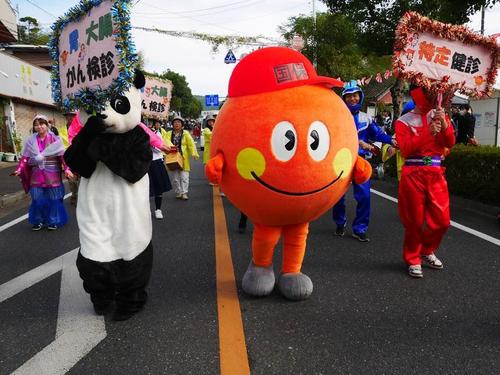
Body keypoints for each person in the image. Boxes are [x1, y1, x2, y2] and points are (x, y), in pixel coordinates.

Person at [395, 85, 455, 278]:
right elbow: (405, 149)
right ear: (416, 93)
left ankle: (427, 249)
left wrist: (444, 126)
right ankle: (412, 258)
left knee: (442, 221)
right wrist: (428, 132)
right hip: (413, 173)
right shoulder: (403, 121)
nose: (429, 99)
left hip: (436, 173)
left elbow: (450, 143)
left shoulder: (439, 116)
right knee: (414, 221)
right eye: (425, 93)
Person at [332, 80, 396, 242]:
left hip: (361, 162)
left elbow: (378, 134)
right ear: (344, 98)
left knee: (365, 197)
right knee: (337, 196)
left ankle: (360, 228)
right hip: (342, 161)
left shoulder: (366, 118)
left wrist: (391, 140)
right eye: (349, 96)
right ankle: (340, 223)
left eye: (355, 95)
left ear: (360, 97)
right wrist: (357, 142)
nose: (353, 99)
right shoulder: (337, 117)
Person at [12, 115, 73, 230]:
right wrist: (19, 169)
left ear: (46, 125)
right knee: (36, 199)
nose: (39, 127)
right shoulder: (30, 141)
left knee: (54, 199)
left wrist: (67, 169)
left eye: (41, 124)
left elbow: (62, 157)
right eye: (36, 125)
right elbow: (25, 157)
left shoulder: (55, 139)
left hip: (52, 174)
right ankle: (38, 220)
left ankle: (53, 220)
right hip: (36, 174)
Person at [166, 115, 199, 200]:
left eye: (179, 122)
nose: (177, 124)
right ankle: (178, 192)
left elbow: (191, 144)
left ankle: (184, 193)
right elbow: (164, 144)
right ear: (172, 124)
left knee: (184, 177)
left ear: (182, 124)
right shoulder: (168, 134)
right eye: (175, 122)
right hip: (173, 158)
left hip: (183, 159)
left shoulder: (185, 133)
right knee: (175, 179)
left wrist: (194, 153)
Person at [149, 119, 173, 219]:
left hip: (156, 162)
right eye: (147, 123)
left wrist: (150, 142)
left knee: (158, 186)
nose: (149, 125)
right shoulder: (139, 133)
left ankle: (158, 209)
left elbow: (160, 148)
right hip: (143, 163)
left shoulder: (157, 133)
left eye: (151, 123)